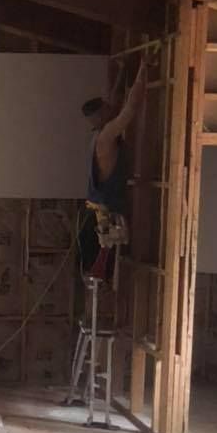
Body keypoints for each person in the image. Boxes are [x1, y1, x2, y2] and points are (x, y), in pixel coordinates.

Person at [79, 56, 148, 278]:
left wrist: (122, 72)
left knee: (111, 253)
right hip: (107, 210)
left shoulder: (99, 133)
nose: (112, 107)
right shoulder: (107, 136)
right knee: (114, 256)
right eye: (107, 108)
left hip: (101, 206)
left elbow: (115, 99)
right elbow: (130, 108)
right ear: (99, 115)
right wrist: (143, 69)